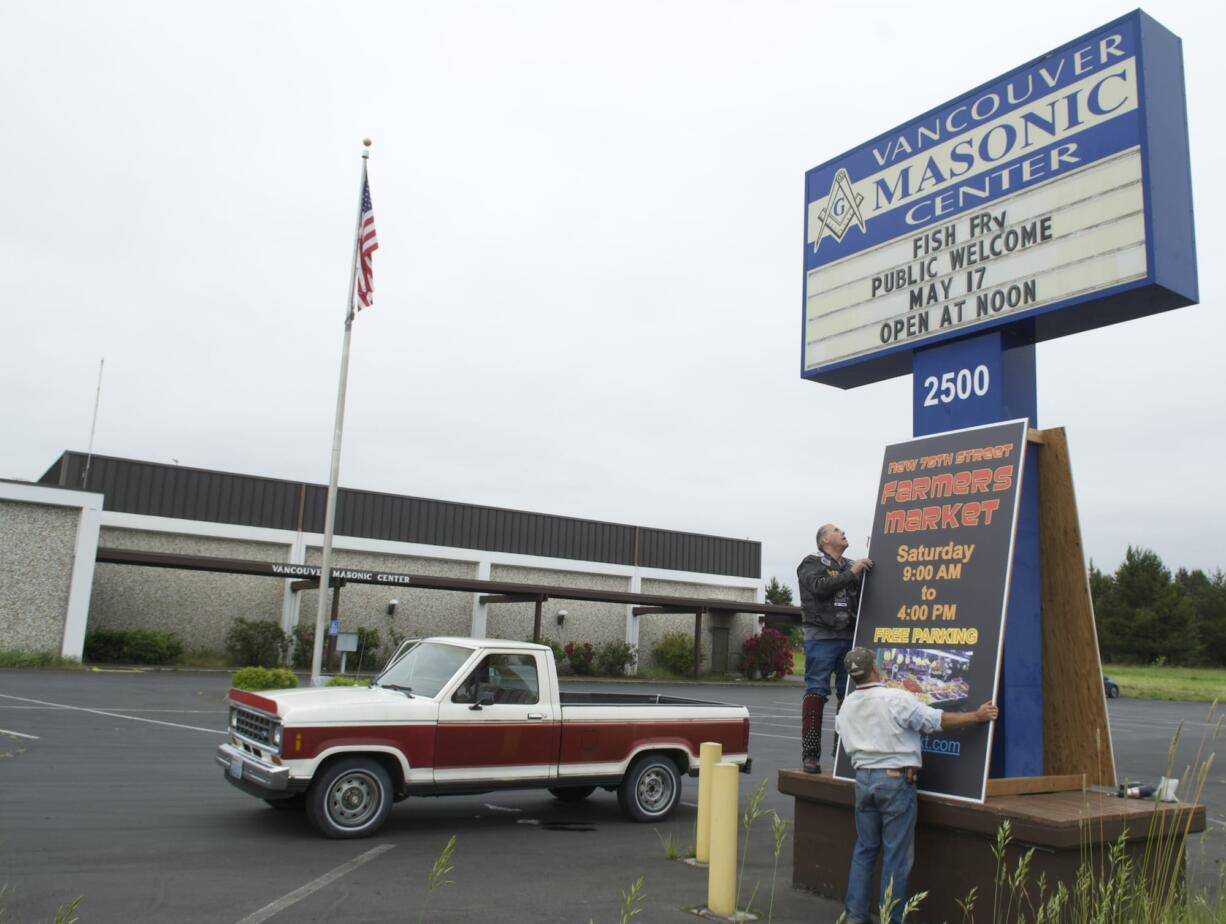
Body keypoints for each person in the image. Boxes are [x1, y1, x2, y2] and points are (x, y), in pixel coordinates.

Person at [835, 647, 998, 924]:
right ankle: (892, 918)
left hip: (863, 780)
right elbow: (938, 720)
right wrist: (977, 716)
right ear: (875, 669)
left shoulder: (847, 704)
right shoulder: (896, 698)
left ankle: (855, 917)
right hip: (895, 780)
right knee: (897, 857)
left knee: (864, 850)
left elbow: (842, 733)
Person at [796, 524, 873, 773]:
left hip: (848, 637)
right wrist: (853, 572)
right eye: (837, 530)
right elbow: (819, 587)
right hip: (821, 637)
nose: (843, 532)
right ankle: (810, 755)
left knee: (848, 694)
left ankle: (841, 751)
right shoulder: (811, 562)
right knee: (817, 690)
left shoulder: (851, 565)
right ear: (824, 540)